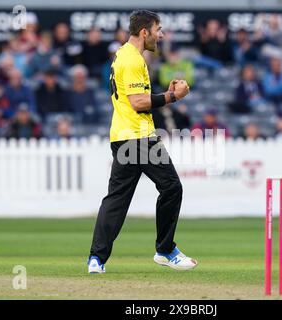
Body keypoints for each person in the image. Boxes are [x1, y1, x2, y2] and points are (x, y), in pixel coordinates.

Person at [88, 10, 196, 274]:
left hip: (122, 136)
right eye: (158, 29)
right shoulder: (133, 60)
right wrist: (173, 96)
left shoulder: (122, 56)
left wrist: (164, 93)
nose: (161, 35)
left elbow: (133, 98)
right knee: (171, 187)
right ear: (145, 32)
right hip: (138, 137)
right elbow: (138, 103)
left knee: (116, 199)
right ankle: (166, 250)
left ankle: (96, 259)